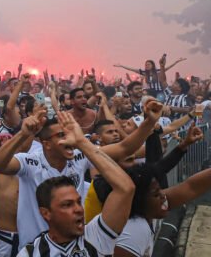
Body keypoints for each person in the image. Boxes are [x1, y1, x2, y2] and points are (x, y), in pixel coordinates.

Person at [0, 99, 161, 246]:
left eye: (70, 133)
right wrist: (22, 134)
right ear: (46, 144)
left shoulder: (80, 156)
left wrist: (149, 122)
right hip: (36, 249)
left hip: (74, 247)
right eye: (61, 135)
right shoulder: (30, 162)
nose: (69, 138)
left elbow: (124, 148)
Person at [17, 110, 136, 257]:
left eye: (79, 202)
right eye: (67, 205)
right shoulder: (30, 253)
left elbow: (126, 188)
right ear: (46, 213)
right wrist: (23, 134)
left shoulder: (95, 237)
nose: (79, 209)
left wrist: (82, 142)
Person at [114, 160, 211, 257]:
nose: (163, 195)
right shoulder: (135, 230)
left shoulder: (149, 211)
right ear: (139, 201)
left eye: (160, 190)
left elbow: (190, 187)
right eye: (156, 194)